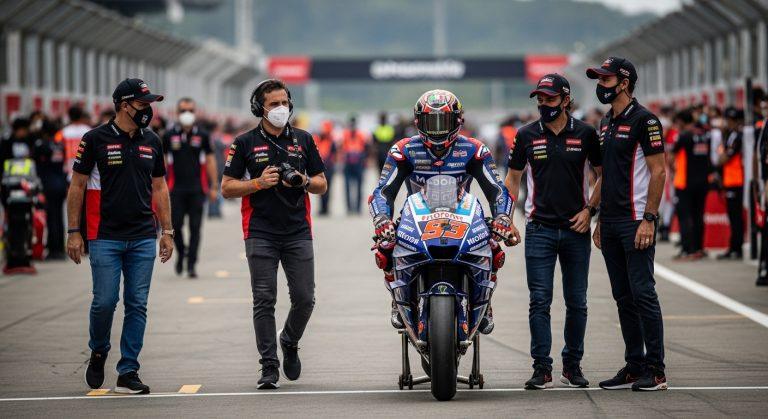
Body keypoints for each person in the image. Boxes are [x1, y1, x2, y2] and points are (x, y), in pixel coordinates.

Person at [369, 89, 516, 334]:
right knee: (385, 245)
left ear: (458, 120)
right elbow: (383, 191)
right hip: (416, 215)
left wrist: (502, 217)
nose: (437, 129)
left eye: (443, 121)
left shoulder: (475, 150)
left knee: (493, 244)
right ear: (418, 122)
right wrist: (382, 218)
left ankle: (485, 301)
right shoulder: (403, 149)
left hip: (463, 213)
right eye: (431, 121)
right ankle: (398, 298)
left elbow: (498, 190)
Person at [66, 78, 173, 395]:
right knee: (105, 301)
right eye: (142, 104)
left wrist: (167, 231)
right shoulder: (94, 139)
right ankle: (98, 351)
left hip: (143, 235)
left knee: (137, 304)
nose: (148, 110)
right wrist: (74, 232)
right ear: (124, 104)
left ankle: (128, 370)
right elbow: (77, 186)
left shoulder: (152, 140)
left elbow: (160, 187)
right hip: (105, 235)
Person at [221, 79, 327, 390]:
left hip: (297, 230)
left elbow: (322, 183)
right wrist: (257, 183)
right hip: (260, 231)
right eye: (274, 104)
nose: (281, 109)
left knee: (305, 298)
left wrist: (304, 181)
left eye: (285, 102)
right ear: (259, 108)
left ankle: (289, 341)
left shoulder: (304, 140)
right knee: (264, 300)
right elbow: (226, 187)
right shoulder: (243, 143)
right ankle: (268, 366)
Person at [505, 74, 602, 390]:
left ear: (565, 100)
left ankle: (572, 366)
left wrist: (590, 211)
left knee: (577, 302)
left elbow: (603, 176)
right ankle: (541, 368)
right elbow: (513, 179)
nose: (543, 104)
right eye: (540, 99)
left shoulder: (587, 134)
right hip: (540, 230)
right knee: (539, 301)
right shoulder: (526, 135)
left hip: (576, 230)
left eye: (549, 98)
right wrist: (507, 220)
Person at [586, 57, 668, 391]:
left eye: (606, 80)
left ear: (623, 83)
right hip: (612, 220)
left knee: (643, 293)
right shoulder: (605, 123)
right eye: (599, 80)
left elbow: (659, 171)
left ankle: (656, 370)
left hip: (637, 221)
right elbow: (605, 177)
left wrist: (649, 218)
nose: (600, 86)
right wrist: (596, 216)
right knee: (623, 297)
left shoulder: (645, 120)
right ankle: (634, 365)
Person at [162, 97, 218, 278]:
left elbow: (210, 160)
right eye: (183, 111)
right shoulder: (169, 135)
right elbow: (162, 161)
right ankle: (181, 253)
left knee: (195, 228)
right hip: (175, 189)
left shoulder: (202, 135)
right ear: (177, 113)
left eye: (190, 111)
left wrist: (214, 185)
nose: (187, 114)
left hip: (197, 190)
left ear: (195, 113)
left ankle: (192, 264)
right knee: (176, 225)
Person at [672, 110, 711, 260]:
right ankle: (699, 248)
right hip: (703, 182)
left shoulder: (684, 136)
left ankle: (687, 249)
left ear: (682, 121)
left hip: (685, 183)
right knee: (698, 215)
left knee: (685, 216)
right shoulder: (704, 135)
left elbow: (671, 153)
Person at [35, 119, 68, 259]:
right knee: (59, 217)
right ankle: (60, 248)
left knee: (51, 217)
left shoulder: (42, 145)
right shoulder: (59, 145)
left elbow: (36, 165)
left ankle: (54, 250)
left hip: (48, 184)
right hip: (61, 183)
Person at [716, 107, 745, 260]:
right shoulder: (730, 135)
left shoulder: (738, 136)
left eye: (730, 120)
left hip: (736, 180)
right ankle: (734, 246)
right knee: (733, 216)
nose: (728, 122)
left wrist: (721, 157)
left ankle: (736, 247)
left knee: (736, 216)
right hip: (730, 180)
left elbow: (725, 157)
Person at [341, 116, 368, 214]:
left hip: (358, 162)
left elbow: (366, 148)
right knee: (347, 186)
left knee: (359, 186)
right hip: (348, 162)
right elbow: (341, 148)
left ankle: (357, 208)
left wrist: (365, 160)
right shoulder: (345, 134)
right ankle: (349, 208)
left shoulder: (361, 135)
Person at [313, 120, 338, 216]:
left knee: (327, 189)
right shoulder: (316, 139)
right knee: (320, 189)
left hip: (329, 167)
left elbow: (335, 155)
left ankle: (326, 208)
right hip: (320, 168)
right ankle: (322, 208)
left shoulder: (331, 141)